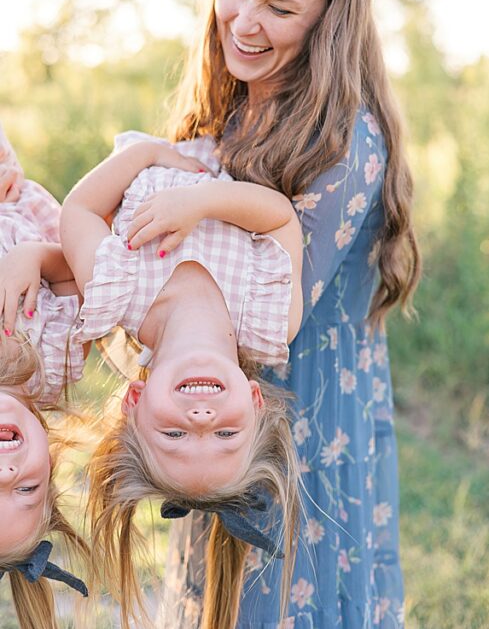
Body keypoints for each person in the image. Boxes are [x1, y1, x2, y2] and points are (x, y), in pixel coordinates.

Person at [156, 0, 420, 628]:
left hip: (304, 424)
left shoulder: (347, 139)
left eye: (278, 8)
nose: (243, 21)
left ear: (330, 18)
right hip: (220, 406)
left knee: (285, 600)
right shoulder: (234, 105)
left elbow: (266, 310)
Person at [61, 132, 305, 628]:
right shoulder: (271, 317)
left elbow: (79, 212)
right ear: (255, 401)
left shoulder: (118, 292)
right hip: (244, 140)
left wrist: (147, 155)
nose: (200, 418)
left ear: (135, 398)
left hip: (167, 141)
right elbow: (282, 218)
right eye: (225, 434)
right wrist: (203, 201)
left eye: (175, 435)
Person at [0, 126, 90, 626]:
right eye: (25, 491)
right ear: (50, 467)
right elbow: (86, 273)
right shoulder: (56, 363)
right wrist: (32, 257)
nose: (6, 474)